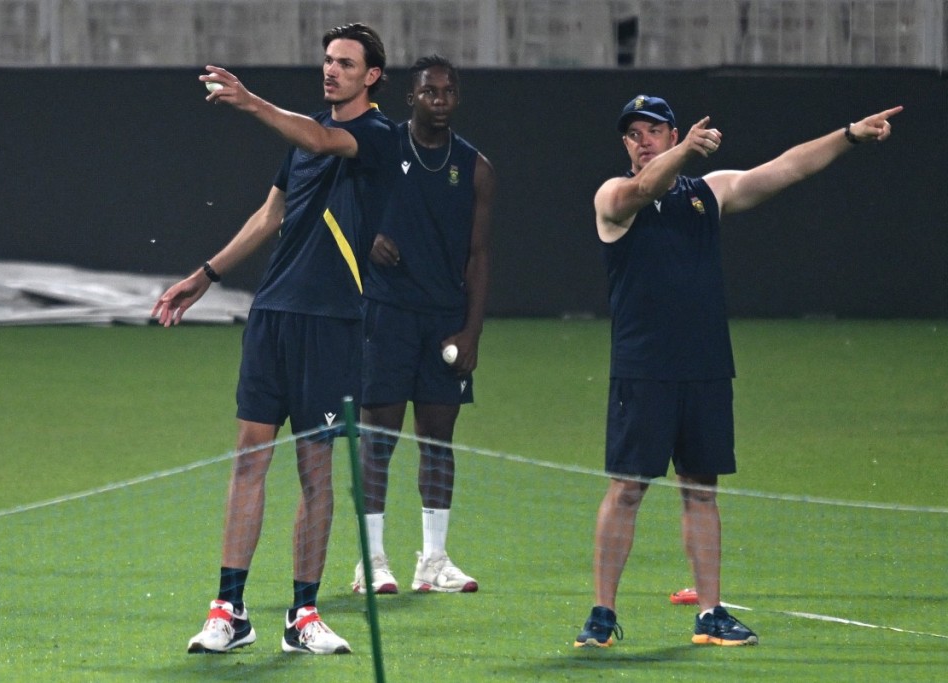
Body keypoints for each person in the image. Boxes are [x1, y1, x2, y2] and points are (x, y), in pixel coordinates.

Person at [574, 95, 902, 648]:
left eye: (654, 130)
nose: (643, 140)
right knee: (628, 489)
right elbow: (646, 188)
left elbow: (787, 167)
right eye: (634, 134)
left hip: (705, 366)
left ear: (672, 133)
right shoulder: (613, 196)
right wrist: (680, 154)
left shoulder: (709, 192)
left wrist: (848, 133)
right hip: (644, 369)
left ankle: (710, 614)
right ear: (625, 145)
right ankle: (602, 614)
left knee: (701, 490)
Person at [151, 23, 399, 655]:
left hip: (332, 324)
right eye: (327, 60)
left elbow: (320, 136)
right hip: (274, 315)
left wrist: (252, 101)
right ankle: (229, 610)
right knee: (249, 457)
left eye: (345, 63)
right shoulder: (304, 135)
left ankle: (303, 614)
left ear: (372, 75)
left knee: (316, 472)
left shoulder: (373, 134)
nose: (331, 70)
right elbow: (272, 214)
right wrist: (205, 275)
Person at [351, 55, 495, 595]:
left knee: (439, 441)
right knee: (378, 440)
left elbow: (479, 256)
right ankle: (373, 559)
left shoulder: (476, 167)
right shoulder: (381, 149)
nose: (439, 100)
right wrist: (367, 239)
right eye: (429, 92)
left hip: (444, 325)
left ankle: (433, 561)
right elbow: (341, 206)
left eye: (448, 92)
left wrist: (472, 332)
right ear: (410, 98)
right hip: (386, 314)